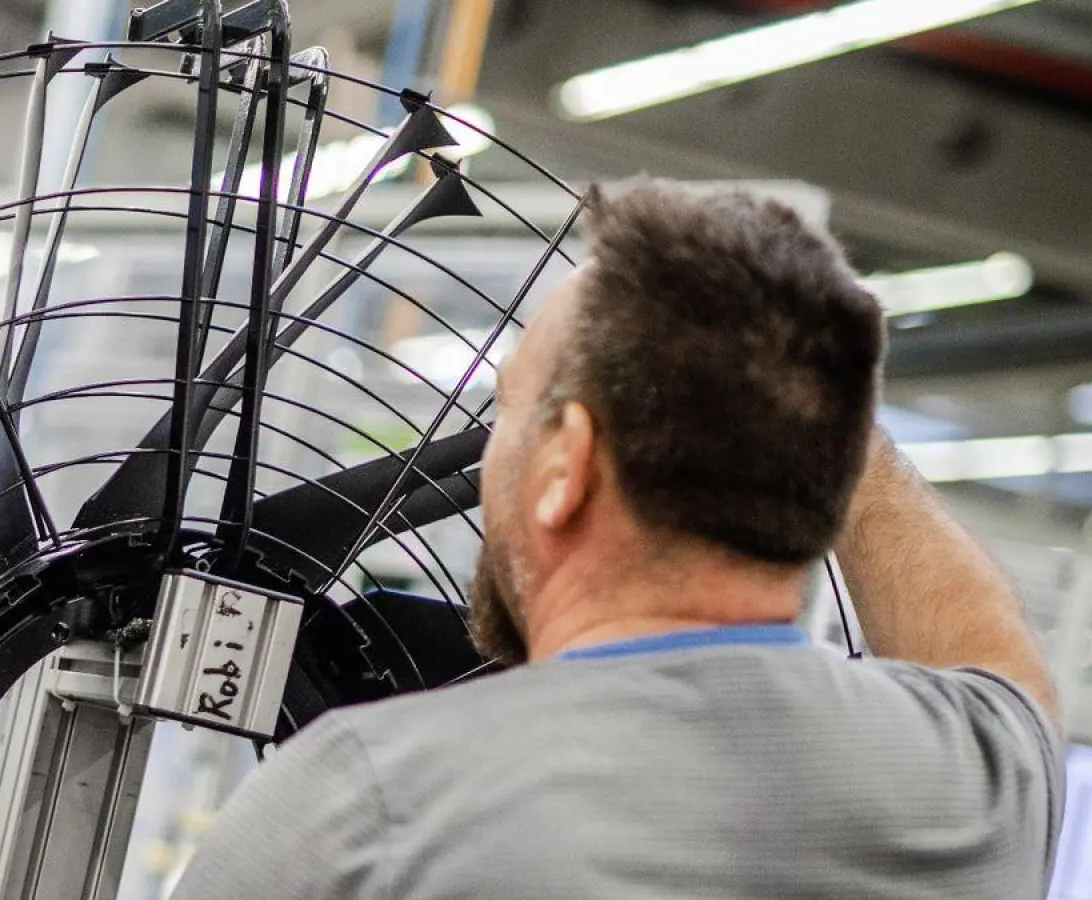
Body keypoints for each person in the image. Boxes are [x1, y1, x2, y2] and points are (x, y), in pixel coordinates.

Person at [168, 179, 1065, 900]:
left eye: (507, 411)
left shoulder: (368, 805)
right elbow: (994, 659)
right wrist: (798, 400)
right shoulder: (975, 784)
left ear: (566, 465)